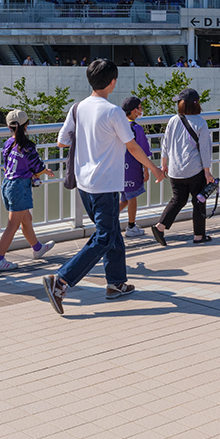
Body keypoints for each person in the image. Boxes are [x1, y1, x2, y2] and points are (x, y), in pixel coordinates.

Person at [43, 59, 164, 315]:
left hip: (84, 183)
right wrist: (153, 168)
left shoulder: (77, 108)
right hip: (105, 184)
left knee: (111, 232)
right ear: (113, 82)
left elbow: (62, 141)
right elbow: (131, 146)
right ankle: (61, 280)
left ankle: (116, 283)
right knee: (105, 236)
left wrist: (89, 138)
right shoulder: (113, 112)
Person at [0, 110, 56, 271]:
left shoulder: (8, 143)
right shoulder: (27, 146)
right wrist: (45, 171)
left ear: (9, 127)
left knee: (26, 219)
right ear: (27, 125)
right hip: (20, 187)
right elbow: (36, 166)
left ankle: (37, 248)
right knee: (12, 225)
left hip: (8, 184)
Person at [151, 88, 214, 246]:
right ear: (197, 104)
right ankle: (199, 236)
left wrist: (164, 165)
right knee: (198, 201)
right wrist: (207, 172)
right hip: (194, 170)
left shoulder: (173, 120)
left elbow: (165, 144)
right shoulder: (201, 123)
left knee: (178, 200)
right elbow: (205, 150)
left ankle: (160, 226)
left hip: (175, 170)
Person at [119, 95, 150, 238]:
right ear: (134, 111)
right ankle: (131, 226)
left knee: (125, 198)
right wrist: (146, 169)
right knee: (132, 198)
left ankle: (107, 221)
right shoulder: (136, 129)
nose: (141, 110)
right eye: (139, 107)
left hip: (119, 168)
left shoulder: (119, 126)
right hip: (132, 168)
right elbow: (142, 151)